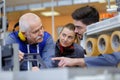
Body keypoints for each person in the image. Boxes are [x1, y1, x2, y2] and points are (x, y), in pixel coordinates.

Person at [52, 6, 120, 68]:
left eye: (79, 27)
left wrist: (76, 61)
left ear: (91, 26)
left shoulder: (108, 39)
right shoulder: (86, 42)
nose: (75, 31)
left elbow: (114, 58)